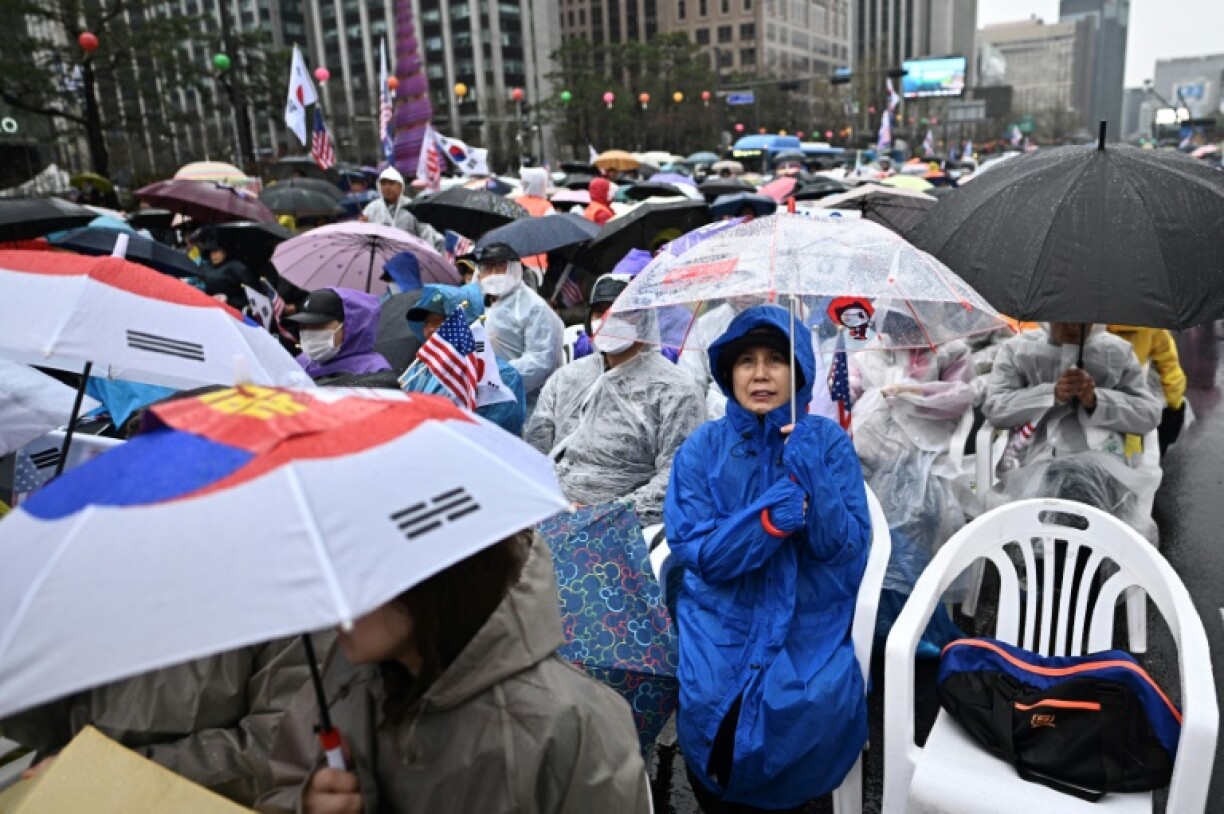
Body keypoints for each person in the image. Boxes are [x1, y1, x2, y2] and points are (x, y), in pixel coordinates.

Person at [255, 530, 650, 814]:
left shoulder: (573, 725)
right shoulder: (344, 681)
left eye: (356, 573)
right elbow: (278, 787)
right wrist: (306, 803)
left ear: (432, 575)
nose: (331, 596)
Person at [664, 305, 871, 812]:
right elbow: (700, 552)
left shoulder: (826, 441)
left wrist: (811, 472)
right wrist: (769, 520)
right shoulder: (702, 448)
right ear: (727, 371)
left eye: (776, 359)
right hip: (722, 617)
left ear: (798, 368)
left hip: (808, 621)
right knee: (714, 709)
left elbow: (841, 550)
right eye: (746, 361)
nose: (760, 374)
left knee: (808, 707)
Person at [525, 274, 704, 525]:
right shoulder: (566, 378)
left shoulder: (675, 391)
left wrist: (605, 513)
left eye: (622, 312)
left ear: (644, 319)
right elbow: (534, 449)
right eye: (600, 311)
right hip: (546, 509)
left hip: (618, 524)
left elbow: (676, 477)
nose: (609, 319)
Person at [983, 322, 1164, 541]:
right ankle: (1064, 560)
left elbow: (1148, 414)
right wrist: (1050, 394)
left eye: (1081, 321)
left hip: (1105, 463)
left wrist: (1096, 400)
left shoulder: (1117, 352)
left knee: (1079, 485)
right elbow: (996, 408)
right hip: (1034, 459)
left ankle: (1070, 561)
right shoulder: (1019, 350)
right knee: (1065, 483)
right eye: (1063, 318)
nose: (1071, 326)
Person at [848, 308, 977, 596]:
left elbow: (961, 396)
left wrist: (917, 392)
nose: (902, 329)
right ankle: (871, 589)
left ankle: (908, 591)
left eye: (909, 321)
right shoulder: (874, 351)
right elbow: (848, 390)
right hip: (870, 452)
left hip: (924, 453)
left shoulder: (950, 351)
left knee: (918, 508)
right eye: (895, 321)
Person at [400, 284, 527, 435]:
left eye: (442, 321)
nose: (431, 329)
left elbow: (489, 438)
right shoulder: (422, 370)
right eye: (427, 322)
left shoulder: (502, 377)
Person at [475, 242, 564, 412]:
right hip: (483, 399)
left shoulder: (534, 307)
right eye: (487, 267)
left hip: (525, 405)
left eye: (500, 267)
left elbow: (540, 361)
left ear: (515, 269)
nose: (493, 274)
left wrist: (496, 374)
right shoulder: (479, 302)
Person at [1106, 325, 1188, 455]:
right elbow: (1169, 365)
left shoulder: (1093, 325)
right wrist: (1174, 404)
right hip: (1134, 406)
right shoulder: (1151, 324)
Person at [288, 288, 391, 383]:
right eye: (304, 326)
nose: (309, 333)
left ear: (350, 326)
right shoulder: (302, 362)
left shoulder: (375, 372)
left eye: (317, 325)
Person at [360, 167, 445, 253]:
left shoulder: (413, 208)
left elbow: (426, 236)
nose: (387, 187)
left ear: (401, 186)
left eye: (391, 183)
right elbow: (363, 239)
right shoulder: (370, 209)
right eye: (383, 184)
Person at [197, 233, 261, 309]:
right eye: (210, 252)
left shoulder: (237, 267)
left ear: (225, 251)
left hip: (239, 310)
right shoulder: (207, 268)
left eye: (216, 251)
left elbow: (253, 292)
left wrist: (230, 301)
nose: (212, 255)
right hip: (217, 309)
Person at [516, 167, 556, 282]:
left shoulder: (517, 203)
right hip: (539, 261)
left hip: (517, 259)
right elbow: (553, 233)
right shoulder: (545, 206)